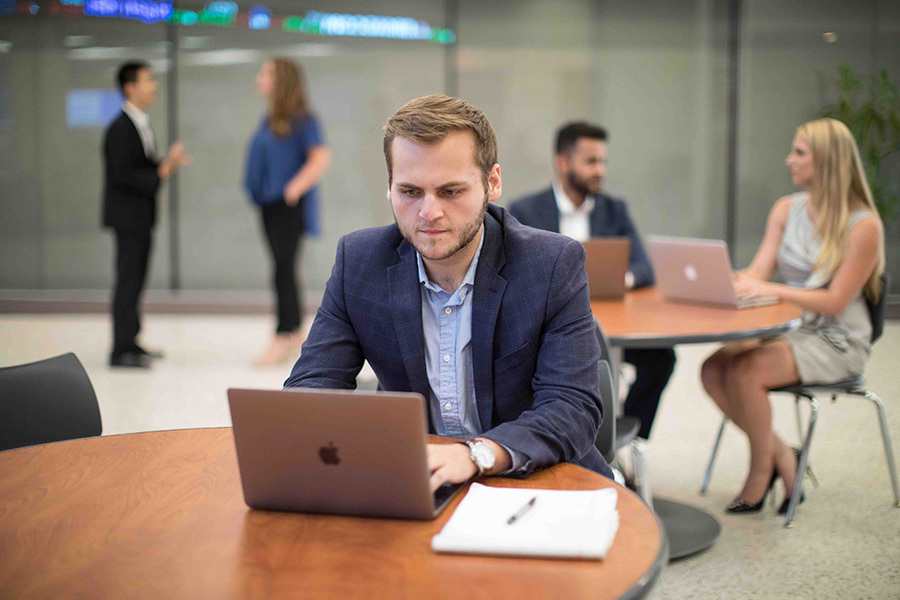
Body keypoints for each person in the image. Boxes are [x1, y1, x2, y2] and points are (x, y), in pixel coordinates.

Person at [284, 95, 613, 489]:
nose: (428, 213)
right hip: (421, 479)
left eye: (451, 192)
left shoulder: (552, 264)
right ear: (389, 188)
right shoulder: (359, 262)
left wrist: (475, 454)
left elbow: (571, 408)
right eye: (410, 192)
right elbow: (311, 390)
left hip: (536, 476)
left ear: (492, 182)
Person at [701, 118, 885, 514]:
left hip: (837, 339)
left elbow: (836, 301)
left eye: (799, 152)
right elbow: (758, 273)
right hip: (793, 327)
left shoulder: (863, 226)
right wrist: (724, 278)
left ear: (828, 162)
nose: (789, 160)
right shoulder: (786, 209)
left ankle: (758, 473)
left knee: (747, 371)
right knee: (713, 370)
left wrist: (772, 291)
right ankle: (785, 456)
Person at [509, 122, 675, 440]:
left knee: (661, 358)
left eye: (603, 162)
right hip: (552, 326)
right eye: (591, 162)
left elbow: (643, 268)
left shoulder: (614, 209)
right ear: (563, 163)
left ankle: (631, 437)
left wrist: (619, 279)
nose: (600, 170)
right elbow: (516, 272)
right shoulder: (526, 211)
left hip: (614, 320)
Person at [103, 61, 192, 368]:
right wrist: (165, 168)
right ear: (130, 87)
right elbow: (124, 175)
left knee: (136, 281)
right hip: (127, 218)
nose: (153, 86)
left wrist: (165, 163)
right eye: (147, 80)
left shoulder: (141, 123)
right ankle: (120, 349)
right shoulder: (120, 128)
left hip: (140, 217)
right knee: (128, 281)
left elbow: (143, 165)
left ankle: (131, 340)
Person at [245, 58, 331, 367]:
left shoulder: (303, 119)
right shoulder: (269, 119)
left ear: (281, 80)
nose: (259, 78)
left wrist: (292, 189)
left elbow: (320, 158)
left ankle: (285, 334)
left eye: (265, 72)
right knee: (282, 270)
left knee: (283, 270)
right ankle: (292, 332)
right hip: (269, 205)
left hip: (286, 208)